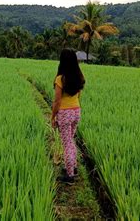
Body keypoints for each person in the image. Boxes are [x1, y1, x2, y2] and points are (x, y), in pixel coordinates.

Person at [51, 48, 85, 184]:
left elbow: (57, 101)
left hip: (65, 113)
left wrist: (53, 116)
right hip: (76, 111)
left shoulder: (60, 79)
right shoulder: (79, 77)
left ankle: (70, 175)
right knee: (71, 140)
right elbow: (78, 95)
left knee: (67, 143)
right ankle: (74, 167)